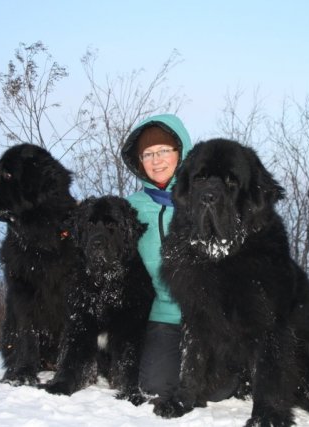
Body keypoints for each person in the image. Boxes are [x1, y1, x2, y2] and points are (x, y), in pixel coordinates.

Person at [120, 114, 192, 399]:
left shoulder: (203, 197)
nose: (156, 160)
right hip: (163, 314)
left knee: (218, 390)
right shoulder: (129, 208)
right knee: (156, 387)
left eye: (164, 150)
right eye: (148, 154)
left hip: (207, 316)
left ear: (181, 151)